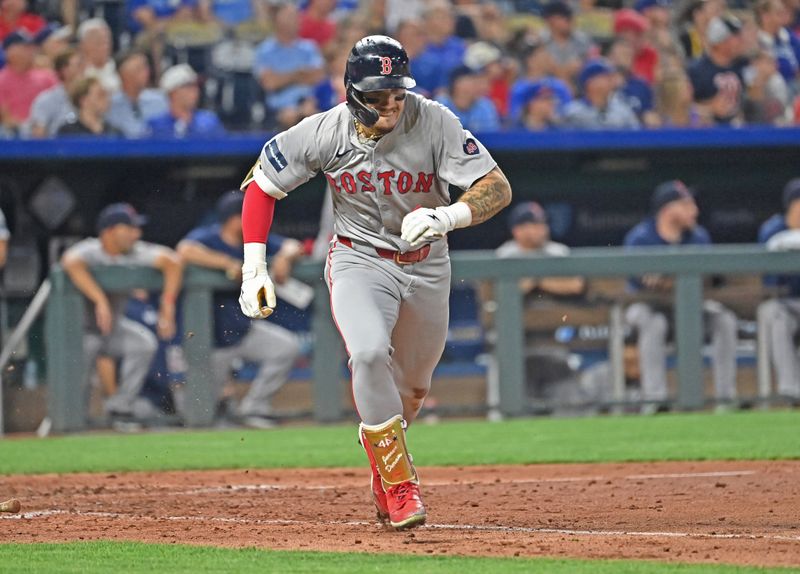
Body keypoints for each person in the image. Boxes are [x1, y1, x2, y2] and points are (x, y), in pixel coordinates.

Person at [237, 36, 511, 529]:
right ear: (352, 92)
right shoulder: (323, 132)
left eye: (397, 94)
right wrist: (254, 265)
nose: (391, 105)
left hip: (427, 263)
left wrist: (449, 215)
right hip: (359, 259)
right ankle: (402, 485)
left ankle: (382, 465)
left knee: (411, 388)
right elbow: (262, 187)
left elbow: (496, 186)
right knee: (366, 355)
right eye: (378, 95)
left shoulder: (434, 119)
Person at [177, 191, 302, 429]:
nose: (255, 220)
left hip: (241, 328)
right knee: (201, 411)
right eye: (248, 215)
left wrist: (285, 257)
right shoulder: (209, 238)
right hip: (209, 338)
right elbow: (184, 249)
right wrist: (228, 264)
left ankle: (253, 408)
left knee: (286, 347)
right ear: (234, 218)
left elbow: (292, 245)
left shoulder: (254, 241)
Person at [60, 203, 183, 428]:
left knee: (144, 343)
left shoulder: (135, 252)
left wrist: (167, 306)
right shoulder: (91, 250)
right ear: (109, 231)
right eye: (129, 228)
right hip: (80, 331)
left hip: (112, 328)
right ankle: (73, 420)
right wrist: (99, 299)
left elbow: (173, 262)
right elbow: (69, 262)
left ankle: (121, 407)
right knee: (83, 362)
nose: (136, 233)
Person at [623, 181, 739, 413]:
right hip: (649, 308)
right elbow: (641, 284)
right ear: (667, 209)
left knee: (723, 320)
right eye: (686, 204)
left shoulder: (698, 236)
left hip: (690, 308)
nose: (694, 210)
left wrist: (669, 280)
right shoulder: (641, 238)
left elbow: (708, 278)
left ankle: (726, 399)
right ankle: (655, 401)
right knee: (653, 323)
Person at [756, 178, 800, 406]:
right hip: (783, 302)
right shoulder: (773, 229)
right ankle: (791, 391)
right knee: (776, 316)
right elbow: (769, 281)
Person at [252, 3, 325, 129]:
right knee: (290, 117)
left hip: (308, 105)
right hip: (277, 110)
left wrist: (282, 78)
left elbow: (318, 76)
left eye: (296, 16)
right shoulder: (264, 50)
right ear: (276, 21)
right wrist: (299, 74)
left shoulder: (309, 48)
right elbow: (269, 82)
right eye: (289, 16)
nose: (296, 19)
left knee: (314, 116)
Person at [687, 14, 748, 126]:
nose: (742, 40)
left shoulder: (743, 65)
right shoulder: (696, 70)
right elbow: (681, 107)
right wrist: (709, 108)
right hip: (708, 134)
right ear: (721, 40)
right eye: (736, 36)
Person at [0, 30, 56, 135]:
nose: (31, 51)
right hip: (14, 136)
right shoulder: (1, 80)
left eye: (31, 47)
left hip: (48, 132)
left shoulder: (47, 76)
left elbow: (59, 103)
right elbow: (6, 118)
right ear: (10, 51)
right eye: (25, 48)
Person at [147, 63, 225, 138]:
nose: (195, 91)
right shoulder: (156, 125)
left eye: (196, 86)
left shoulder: (209, 122)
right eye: (188, 86)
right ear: (172, 93)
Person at [563, 58, 641, 129]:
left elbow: (637, 138)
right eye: (605, 77)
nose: (611, 81)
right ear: (589, 82)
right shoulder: (572, 112)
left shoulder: (623, 111)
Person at [106, 50, 168, 138]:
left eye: (146, 67)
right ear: (123, 74)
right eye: (138, 69)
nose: (146, 72)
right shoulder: (109, 105)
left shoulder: (161, 101)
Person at [26, 48, 82, 137]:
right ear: (64, 70)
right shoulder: (46, 100)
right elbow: (38, 135)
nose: (82, 70)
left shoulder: (89, 99)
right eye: (78, 65)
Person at [436, 65, 501, 133]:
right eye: (470, 80)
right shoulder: (441, 104)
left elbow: (492, 135)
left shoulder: (485, 106)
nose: (475, 85)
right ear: (456, 84)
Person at [78, 18, 120, 92]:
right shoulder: (76, 73)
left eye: (107, 41)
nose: (105, 47)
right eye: (99, 42)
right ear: (83, 45)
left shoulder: (118, 68)